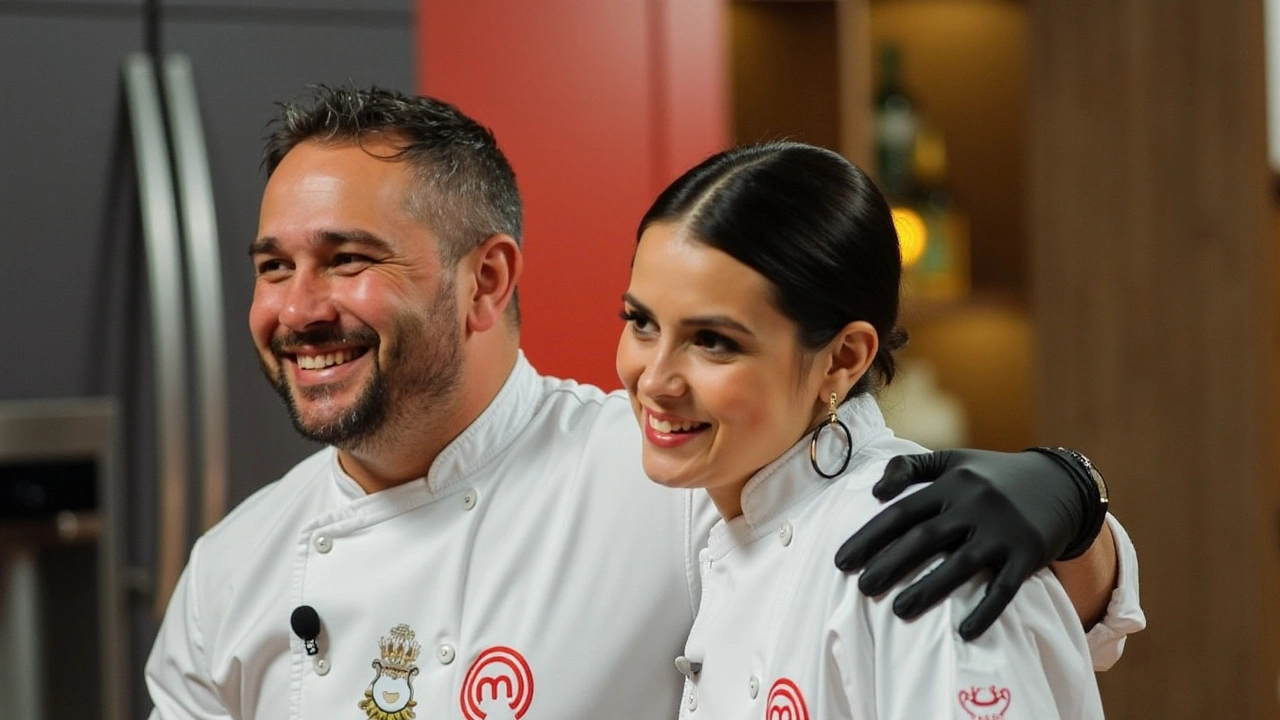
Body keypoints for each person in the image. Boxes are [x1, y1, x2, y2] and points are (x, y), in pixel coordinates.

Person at [144, 86, 1142, 720]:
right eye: (274, 267)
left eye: (349, 261)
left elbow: (910, 531)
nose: (298, 308)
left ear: (487, 282)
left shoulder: (670, 472)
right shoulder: (231, 571)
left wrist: (1071, 501)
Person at [616, 140, 1123, 718]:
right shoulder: (727, 489)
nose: (654, 380)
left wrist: (1077, 491)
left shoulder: (918, 559)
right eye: (641, 323)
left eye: (713, 342)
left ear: (842, 358)